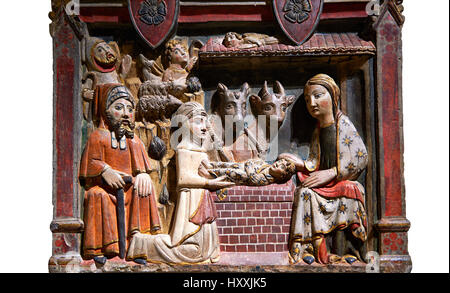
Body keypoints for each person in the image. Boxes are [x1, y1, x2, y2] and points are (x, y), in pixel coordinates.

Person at [126, 102, 234, 264]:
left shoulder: (200, 150)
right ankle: (141, 243)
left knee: (206, 251)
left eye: (205, 122)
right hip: (191, 201)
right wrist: (209, 183)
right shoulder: (184, 149)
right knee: (189, 252)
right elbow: (183, 179)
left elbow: (208, 170)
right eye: (198, 121)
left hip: (202, 200)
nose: (204, 127)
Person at [281, 74, 369, 265]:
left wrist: (333, 172)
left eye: (318, 95)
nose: (312, 103)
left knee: (351, 189)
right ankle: (308, 249)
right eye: (307, 99)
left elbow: (360, 157)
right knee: (304, 193)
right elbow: (314, 160)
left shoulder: (343, 124)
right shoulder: (319, 129)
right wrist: (300, 163)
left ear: (333, 95)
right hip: (324, 185)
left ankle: (352, 249)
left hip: (338, 180)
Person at [79, 84, 161, 265]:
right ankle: (101, 248)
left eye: (130, 109)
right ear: (105, 111)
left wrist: (143, 175)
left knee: (143, 189)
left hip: (128, 189)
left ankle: (137, 247)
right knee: (96, 195)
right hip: (106, 190)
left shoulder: (133, 140)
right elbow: (90, 164)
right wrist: (105, 170)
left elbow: (142, 167)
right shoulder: (98, 136)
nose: (125, 113)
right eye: (118, 107)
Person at [198, 157, 299, 186]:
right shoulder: (265, 165)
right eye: (279, 162)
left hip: (240, 178)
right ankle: (211, 166)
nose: (277, 164)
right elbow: (251, 161)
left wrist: (250, 168)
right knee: (233, 165)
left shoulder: (266, 179)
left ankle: (210, 175)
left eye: (281, 167)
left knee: (233, 172)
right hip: (243, 168)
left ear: (281, 176)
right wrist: (249, 167)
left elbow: (253, 179)